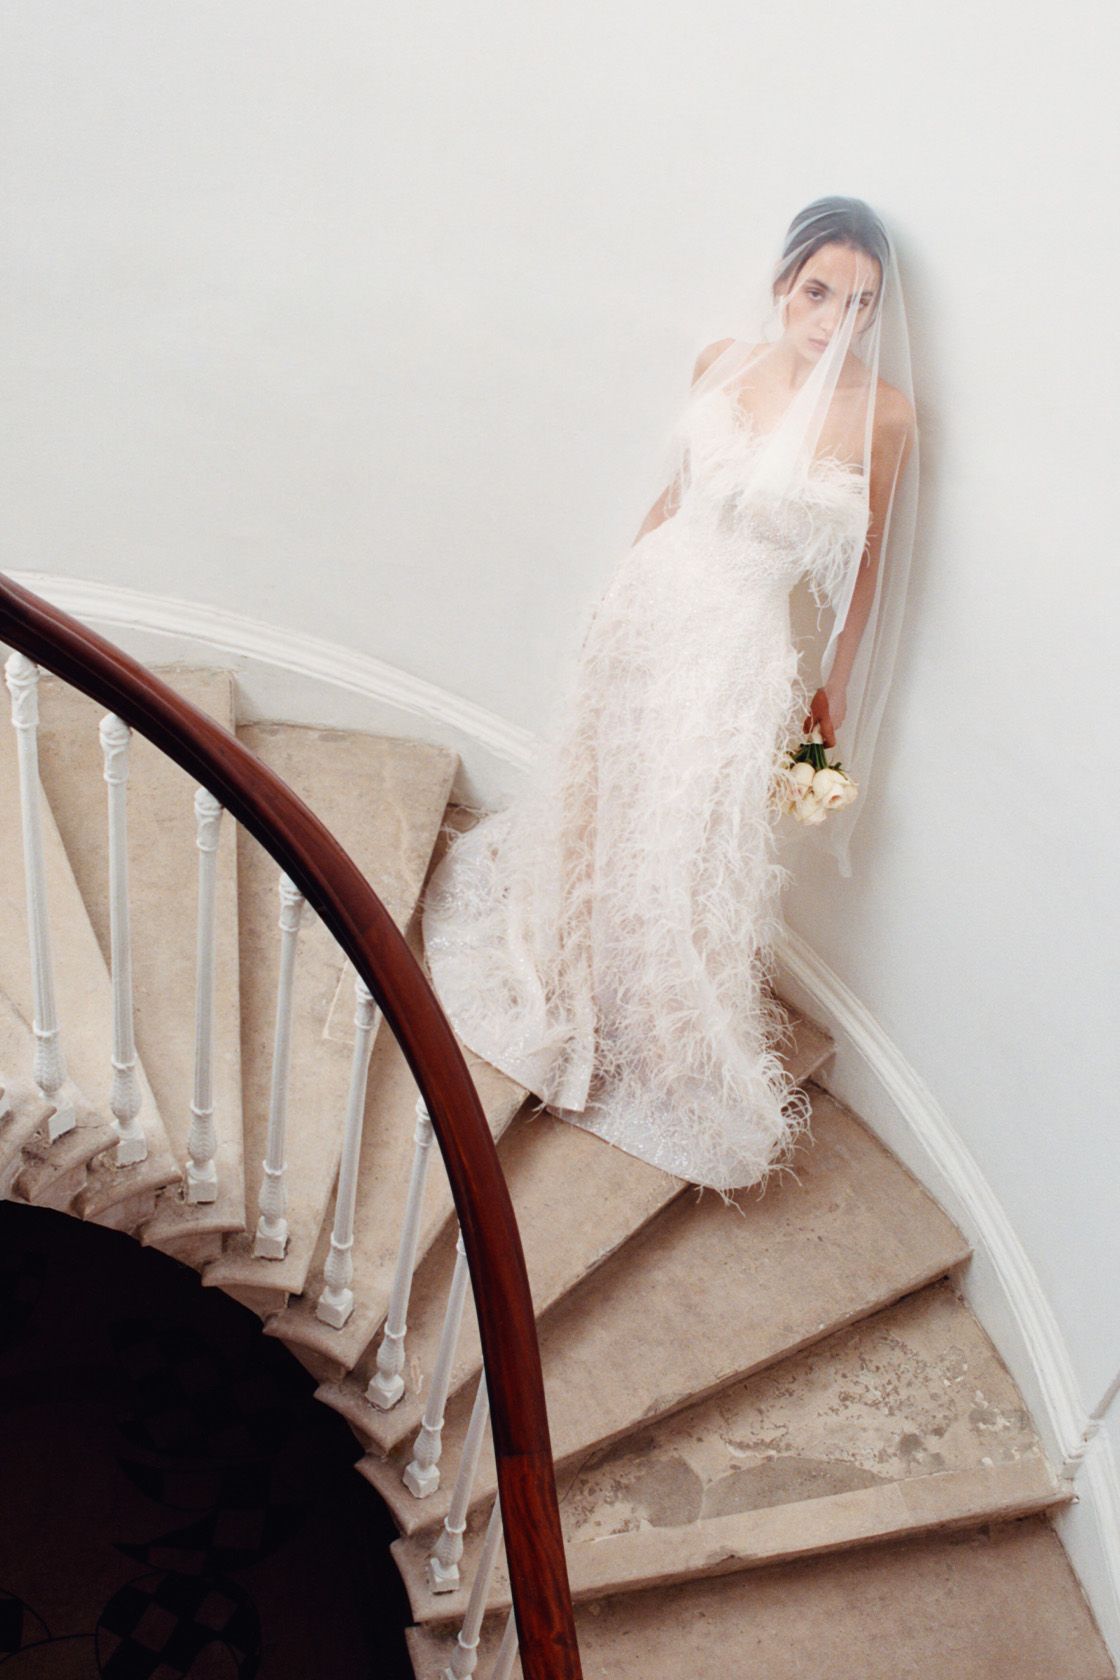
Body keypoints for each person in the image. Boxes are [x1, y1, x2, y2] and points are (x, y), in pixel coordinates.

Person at [423, 198, 917, 1193]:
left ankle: (655, 1012)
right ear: (783, 283)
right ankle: (574, 955)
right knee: (608, 787)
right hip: (650, 604)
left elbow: (867, 568)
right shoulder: (722, 361)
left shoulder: (887, 417)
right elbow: (675, 496)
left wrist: (834, 693)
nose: (830, 321)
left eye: (856, 305)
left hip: (736, 644)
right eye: (816, 292)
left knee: (684, 825)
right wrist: (617, 589)